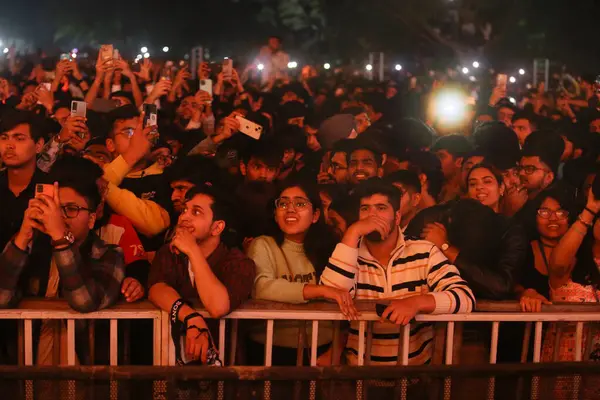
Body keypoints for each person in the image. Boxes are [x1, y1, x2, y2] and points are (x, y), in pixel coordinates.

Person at [320, 178, 474, 365]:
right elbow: (330, 295)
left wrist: (416, 302)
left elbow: (464, 297)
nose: (372, 216)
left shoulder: (424, 251)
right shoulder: (347, 253)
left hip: (414, 376)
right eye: (365, 209)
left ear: (398, 217)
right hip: (359, 376)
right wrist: (352, 233)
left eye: (381, 208)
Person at [0, 156, 124, 364]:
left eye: (72, 209)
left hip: (86, 380)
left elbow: (84, 300)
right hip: (26, 377)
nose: (61, 217)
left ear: (92, 219)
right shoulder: (28, 251)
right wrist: (23, 236)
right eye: (57, 208)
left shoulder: (108, 254)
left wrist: (60, 237)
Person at [247, 180, 354, 366]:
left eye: (300, 203)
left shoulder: (330, 249)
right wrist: (321, 290)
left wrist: (335, 350)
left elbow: (348, 304)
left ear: (315, 215)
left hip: (322, 350)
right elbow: (261, 287)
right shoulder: (263, 245)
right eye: (283, 203)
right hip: (270, 350)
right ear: (275, 213)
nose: (290, 209)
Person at [148, 184, 255, 364]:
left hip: (225, 367)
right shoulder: (169, 253)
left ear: (217, 227)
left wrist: (193, 251)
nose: (184, 218)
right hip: (173, 364)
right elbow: (156, 288)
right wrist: (191, 317)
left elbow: (218, 306)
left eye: (196, 212)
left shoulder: (239, 263)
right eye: (184, 211)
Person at [0, 111, 48, 250]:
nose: (9, 145)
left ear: (38, 145)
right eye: (4, 138)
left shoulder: (50, 189)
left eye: (19, 138)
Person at [431, 134, 473, 203]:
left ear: (459, 161)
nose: (436, 161)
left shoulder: (470, 192)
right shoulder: (434, 187)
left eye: (441, 156)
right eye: (435, 156)